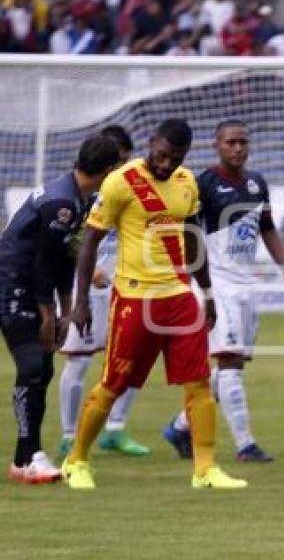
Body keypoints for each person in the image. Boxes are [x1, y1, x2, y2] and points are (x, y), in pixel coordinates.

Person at [61, 118, 246, 490]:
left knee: (198, 385)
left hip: (179, 298)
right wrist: (79, 302)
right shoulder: (120, 182)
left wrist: (206, 293)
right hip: (133, 298)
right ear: (152, 143)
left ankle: (205, 469)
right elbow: (89, 243)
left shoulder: (186, 183)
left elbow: (194, 242)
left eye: (174, 159)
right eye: (161, 155)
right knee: (113, 383)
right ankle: (76, 459)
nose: (165, 164)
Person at [162, 119, 284, 463]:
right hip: (218, 284)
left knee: (231, 366)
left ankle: (180, 427)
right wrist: (201, 286)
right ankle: (245, 445)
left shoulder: (257, 183)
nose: (238, 148)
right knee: (230, 364)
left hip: (247, 284)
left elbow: (267, 229)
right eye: (230, 142)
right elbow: (190, 237)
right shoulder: (202, 184)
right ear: (217, 146)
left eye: (242, 142)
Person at [1, 134, 120, 484]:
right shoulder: (62, 204)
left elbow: (66, 255)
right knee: (34, 365)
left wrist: (67, 310)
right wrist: (49, 314)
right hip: (11, 285)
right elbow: (42, 263)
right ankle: (28, 456)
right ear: (109, 170)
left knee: (41, 367)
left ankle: (27, 457)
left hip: (23, 287)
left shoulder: (79, 198)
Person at [58, 125, 150, 460]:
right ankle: (69, 435)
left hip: (125, 286)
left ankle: (115, 429)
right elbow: (65, 236)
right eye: (116, 156)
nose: (122, 162)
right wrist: (91, 269)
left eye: (124, 155)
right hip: (87, 284)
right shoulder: (81, 190)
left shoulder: (133, 186)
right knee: (80, 360)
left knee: (129, 360)